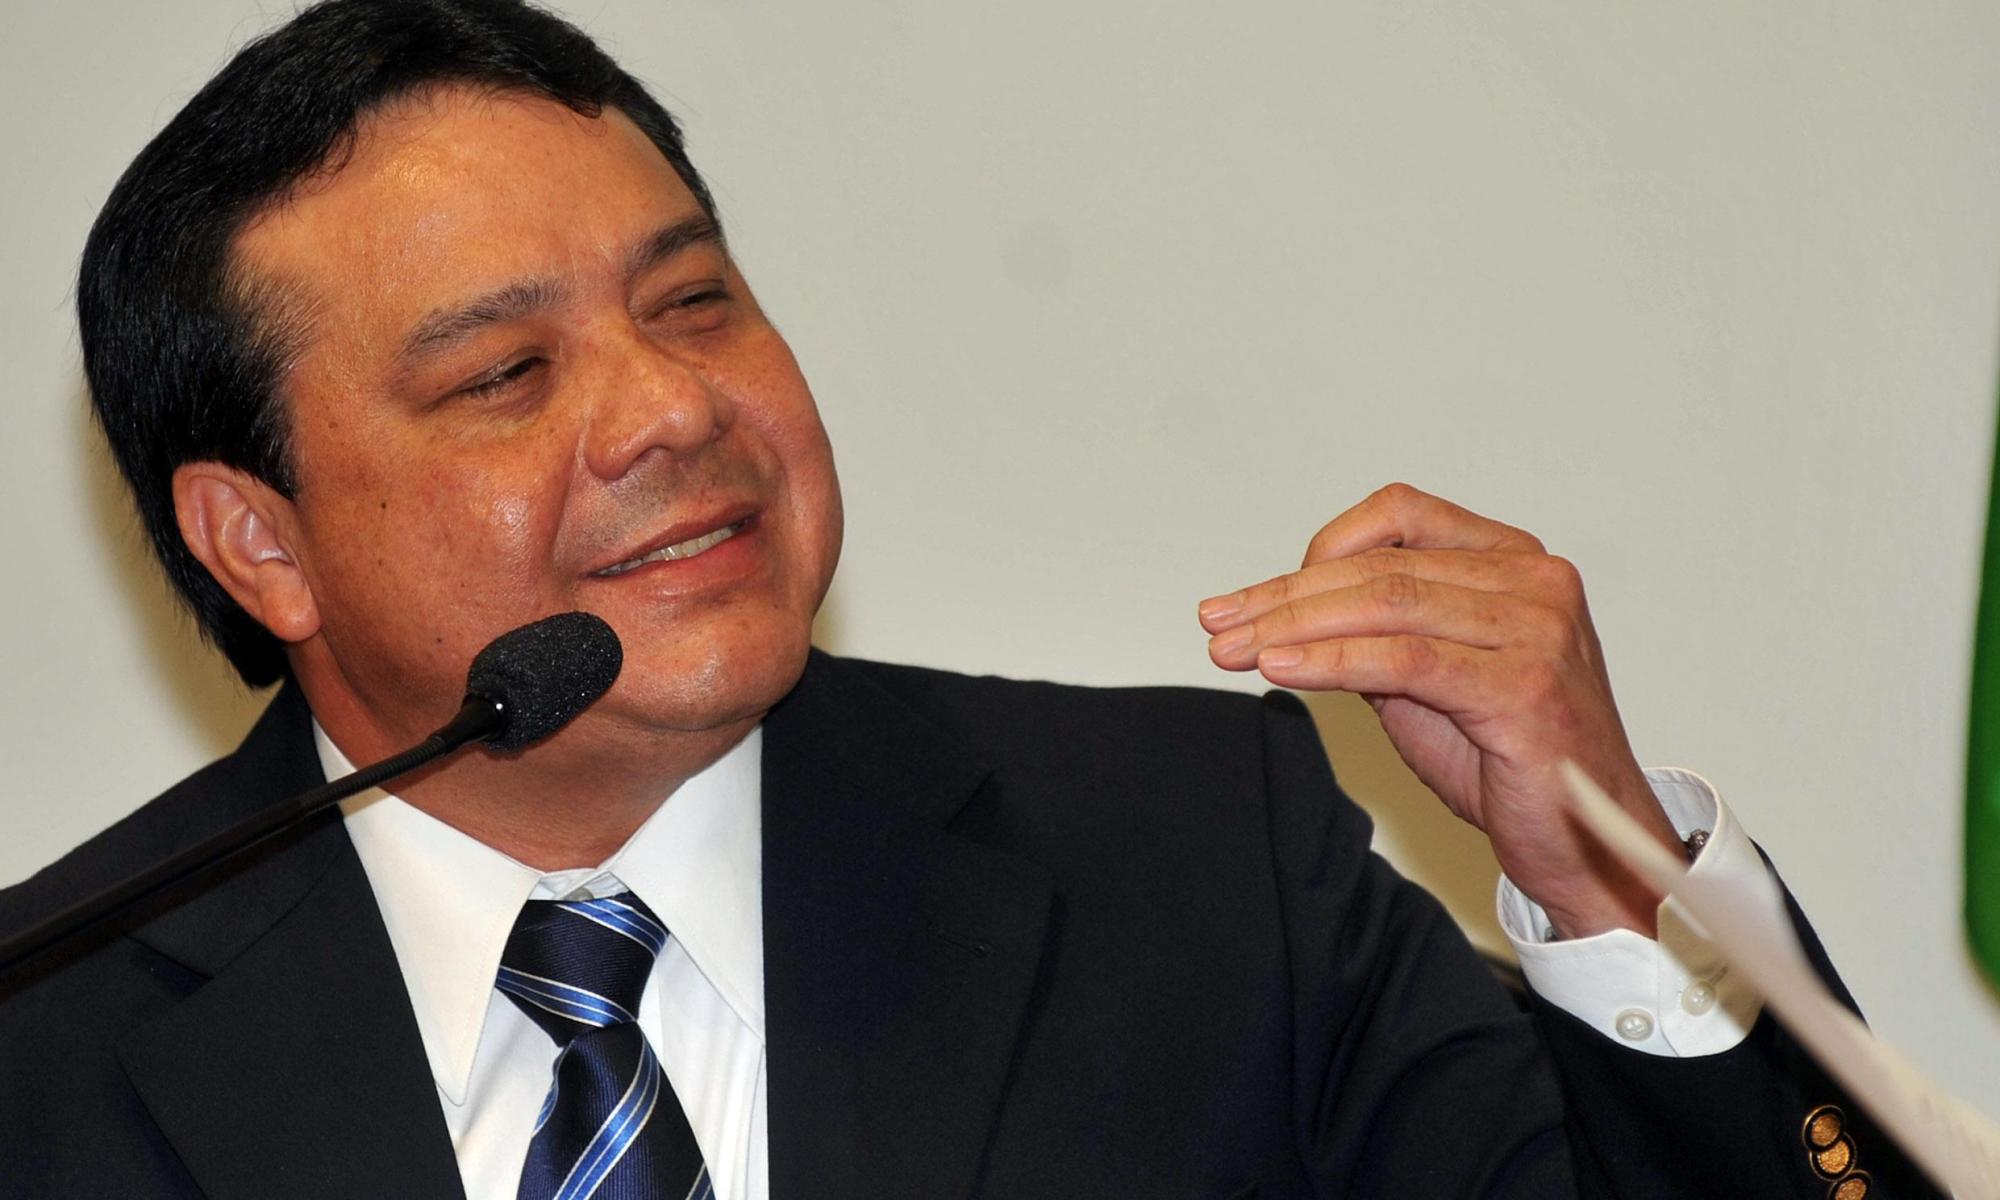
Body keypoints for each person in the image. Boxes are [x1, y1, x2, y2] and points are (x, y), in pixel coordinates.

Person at [0, 1, 1932, 1197]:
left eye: (695, 300)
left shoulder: (1199, 874)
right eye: (506, 374)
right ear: (259, 542)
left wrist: (1603, 877)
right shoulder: (43, 1047)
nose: (673, 408)